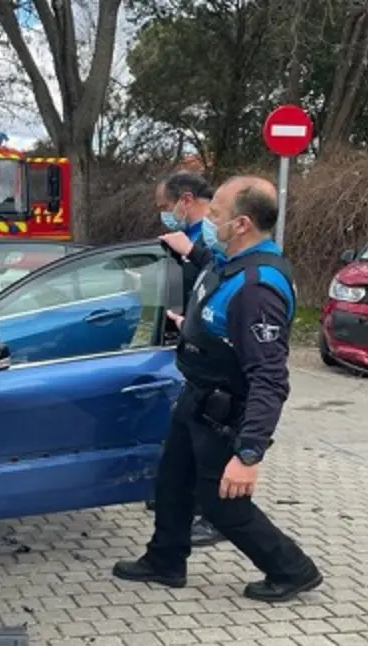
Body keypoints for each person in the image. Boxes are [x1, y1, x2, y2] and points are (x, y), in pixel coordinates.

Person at [113, 175, 322, 603]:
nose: (207, 219)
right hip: (197, 396)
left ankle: (292, 569)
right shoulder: (229, 261)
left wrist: (249, 454)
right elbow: (216, 297)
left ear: (241, 223)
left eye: (215, 214)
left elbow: (269, 378)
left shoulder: (257, 288)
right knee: (172, 483)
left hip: (225, 412)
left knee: (221, 502)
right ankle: (165, 560)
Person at [156, 171, 225, 549]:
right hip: (189, 342)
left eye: (166, 206)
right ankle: (184, 500)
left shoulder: (212, 237)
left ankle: (216, 515)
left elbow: (221, 277)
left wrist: (194, 253)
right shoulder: (185, 237)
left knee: (213, 436)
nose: (164, 214)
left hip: (215, 352)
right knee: (189, 431)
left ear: (185, 199)